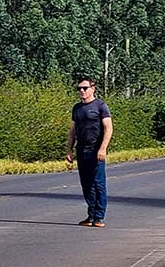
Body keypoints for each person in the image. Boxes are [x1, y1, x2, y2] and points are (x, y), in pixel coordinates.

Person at [65, 77, 112, 227]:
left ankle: (99, 217)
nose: (81, 91)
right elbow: (72, 131)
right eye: (79, 88)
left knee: (98, 183)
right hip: (81, 150)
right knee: (86, 184)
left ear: (93, 88)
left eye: (84, 88)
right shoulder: (77, 108)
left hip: (96, 150)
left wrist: (103, 148)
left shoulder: (101, 106)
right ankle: (91, 215)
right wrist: (69, 149)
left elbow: (108, 128)